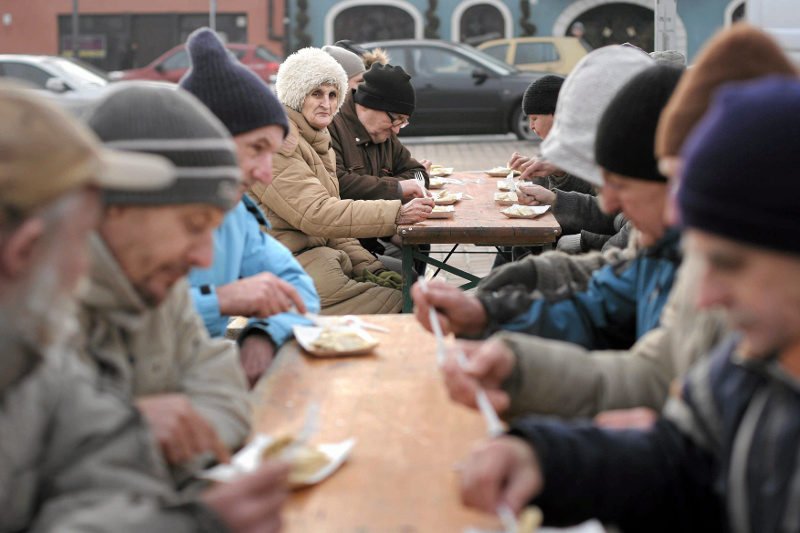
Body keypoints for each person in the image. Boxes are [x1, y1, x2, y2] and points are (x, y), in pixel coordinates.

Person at [458, 76, 800, 533]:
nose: (704, 295)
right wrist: (545, 459)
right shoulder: (755, 359)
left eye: (727, 263)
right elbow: (684, 461)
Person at [0, 83, 287, 532]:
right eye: (78, 239)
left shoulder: (32, 345)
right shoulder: (44, 327)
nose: (205, 259)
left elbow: (97, 472)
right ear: (23, 251)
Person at [414, 47, 661, 351]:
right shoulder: (659, 227)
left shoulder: (691, 241)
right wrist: (490, 311)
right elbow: (612, 279)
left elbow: (638, 365)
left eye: (618, 180)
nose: (608, 201)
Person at [79, 83, 252, 479]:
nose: (204, 258)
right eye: (193, 226)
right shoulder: (32, 306)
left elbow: (225, 393)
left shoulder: (160, 286)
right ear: (116, 207)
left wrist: (165, 446)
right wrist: (130, 435)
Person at [180, 28, 320, 386]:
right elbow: (110, 316)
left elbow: (297, 288)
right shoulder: (131, 214)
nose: (266, 174)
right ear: (207, 141)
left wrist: (262, 335)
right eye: (256, 148)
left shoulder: (233, 215)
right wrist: (221, 300)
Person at [250, 47, 433, 314]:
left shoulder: (316, 138)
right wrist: (397, 213)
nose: (327, 103)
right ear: (295, 93)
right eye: (316, 93)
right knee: (410, 301)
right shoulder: (278, 144)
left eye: (333, 94)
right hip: (285, 271)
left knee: (411, 285)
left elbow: (334, 230)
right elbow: (318, 213)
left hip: (321, 259)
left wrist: (370, 268)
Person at [328, 62, 432, 273]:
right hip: (342, 245)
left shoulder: (384, 134)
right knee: (405, 275)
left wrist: (406, 185)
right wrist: (398, 189)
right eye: (396, 119)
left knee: (419, 244)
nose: (397, 130)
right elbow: (338, 183)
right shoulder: (332, 128)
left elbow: (418, 173)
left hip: (373, 236)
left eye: (404, 122)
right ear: (368, 104)